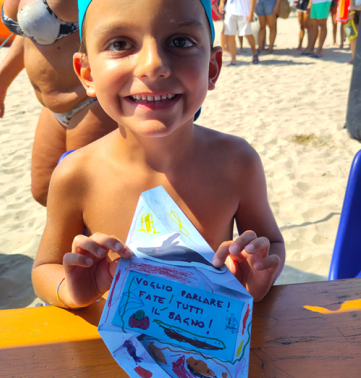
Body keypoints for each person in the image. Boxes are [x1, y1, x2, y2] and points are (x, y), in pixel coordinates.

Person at [32, 0, 285, 310]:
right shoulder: (76, 174)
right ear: (87, 74)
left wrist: (257, 276)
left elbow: (272, 242)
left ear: (212, 67)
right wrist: (69, 291)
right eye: (120, 44)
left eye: (180, 41)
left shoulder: (237, 162)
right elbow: (44, 268)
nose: (153, 65)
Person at [0, 0, 118, 206]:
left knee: (84, 198)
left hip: (91, 101)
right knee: (45, 191)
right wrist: (1, 81)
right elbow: (29, 33)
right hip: (51, 107)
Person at [219, 0, 259, 65]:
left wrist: (251, 12)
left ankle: (254, 53)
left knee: (247, 34)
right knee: (230, 35)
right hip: (230, 10)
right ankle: (233, 60)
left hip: (245, 11)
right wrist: (221, 2)